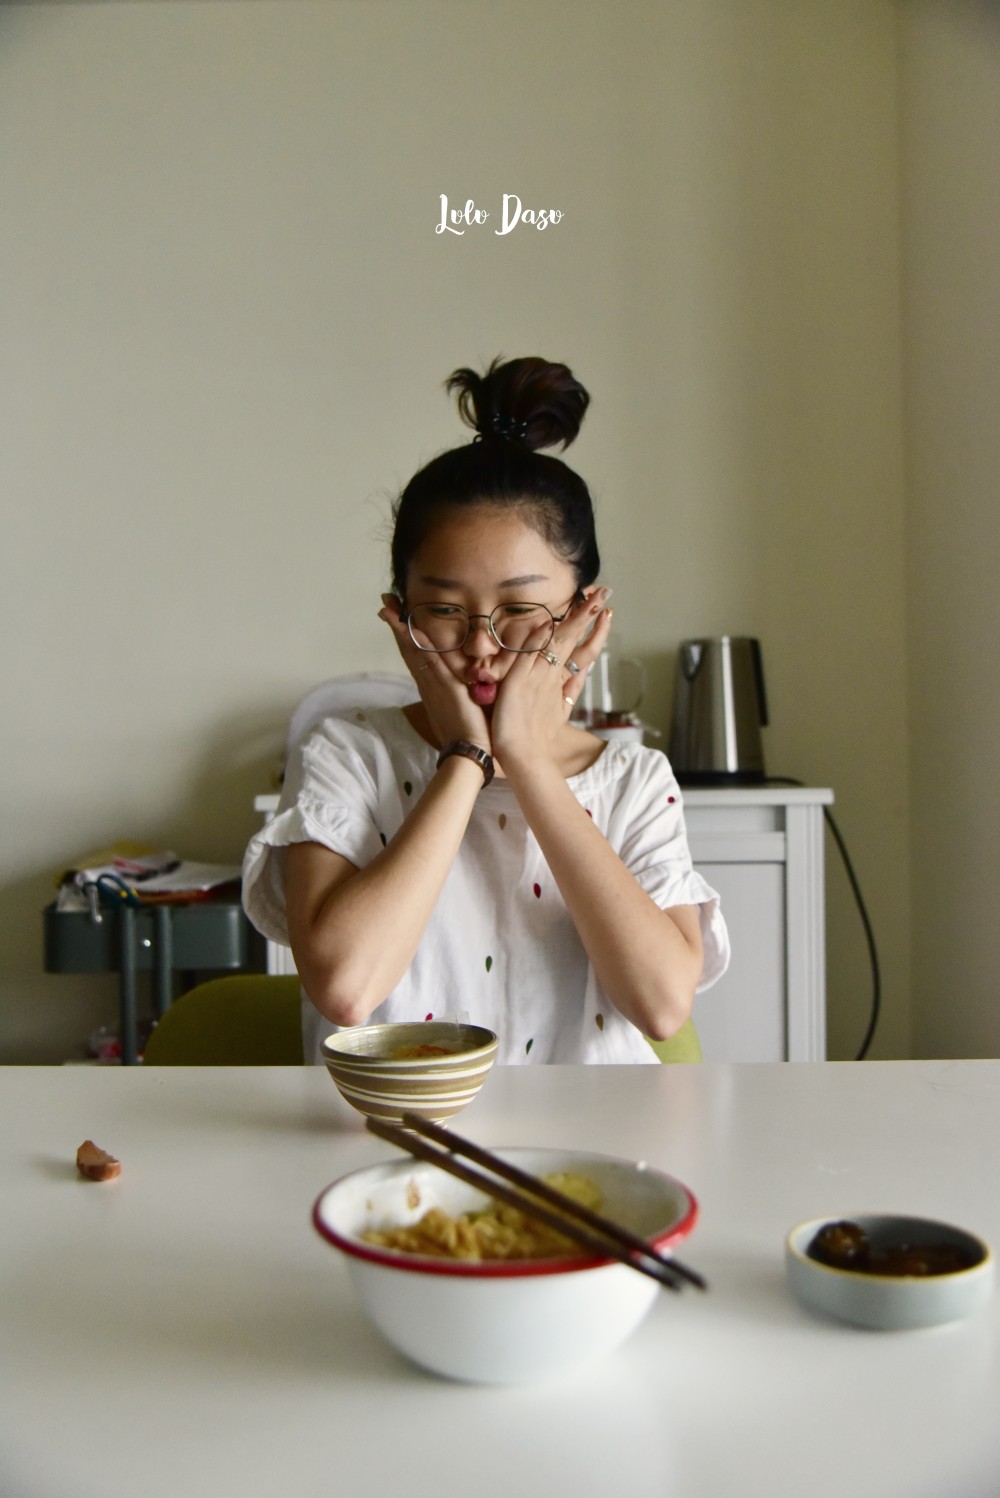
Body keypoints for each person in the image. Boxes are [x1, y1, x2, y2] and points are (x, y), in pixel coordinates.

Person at [242, 356, 729, 1065]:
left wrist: (528, 760)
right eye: (443, 610)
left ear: (586, 614)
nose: (479, 646)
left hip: (587, 1156)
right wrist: (465, 760)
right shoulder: (345, 754)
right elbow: (347, 989)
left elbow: (659, 1006)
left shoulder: (633, 779)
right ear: (399, 613)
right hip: (393, 1149)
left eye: (520, 611)